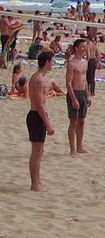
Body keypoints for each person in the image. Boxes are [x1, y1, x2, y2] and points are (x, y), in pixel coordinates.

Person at [26, 51, 56, 191]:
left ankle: (37, 181)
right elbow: (39, 105)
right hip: (36, 116)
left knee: (40, 150)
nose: (53, 63)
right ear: (46, 62)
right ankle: (35, 184)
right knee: (37, 151)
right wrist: (48, 123)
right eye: (52, 61)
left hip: (38, 115)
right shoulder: (38, 79)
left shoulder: (41, 78)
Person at [66, 39, 91, 156]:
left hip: (82, 93)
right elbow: (68, 83)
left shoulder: (85, 62)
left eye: (85, 47)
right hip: (74, 92)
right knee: (74, 122)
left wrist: (88, 95)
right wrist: (73, 98)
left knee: (81, 122)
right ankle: (72, 149)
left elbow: (85, 79)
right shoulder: (71, 63)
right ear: (76, 48)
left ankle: (80, 146)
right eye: (82, 47)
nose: (84, 49)